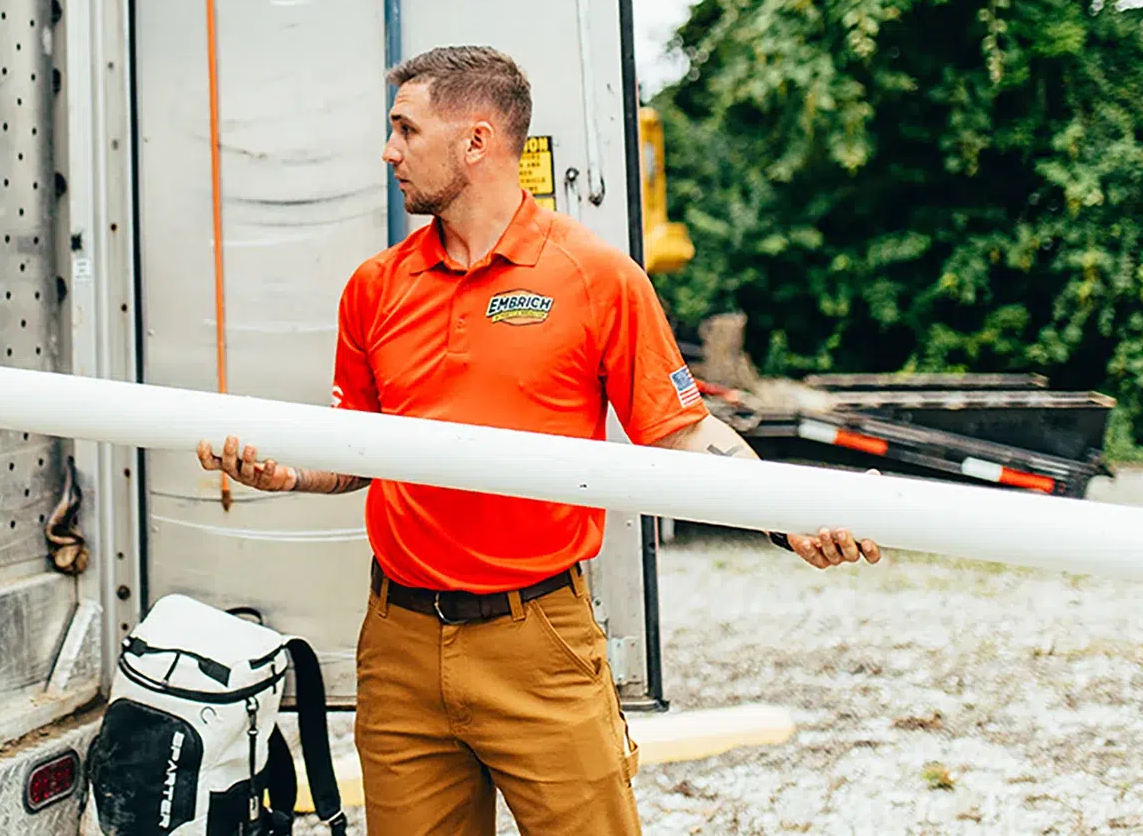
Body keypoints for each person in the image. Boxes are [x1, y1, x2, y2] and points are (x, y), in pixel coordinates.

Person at [196, 45, 881, 836]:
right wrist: (288, 473)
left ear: (476, 140)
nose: (389, 151)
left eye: (405, 130)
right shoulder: (376, 287)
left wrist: (789, 510)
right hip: (401, 642)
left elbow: (682, 429)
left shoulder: (595, 276)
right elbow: (358, 448)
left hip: (538, 642)